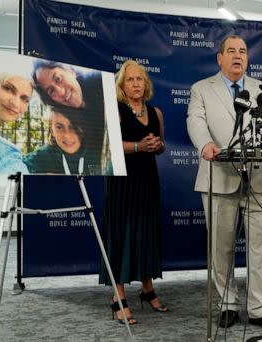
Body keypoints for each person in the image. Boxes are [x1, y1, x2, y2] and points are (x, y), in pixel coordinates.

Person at [186, 35, 262, 332]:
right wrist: (205, 144)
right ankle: (228, 304)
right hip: (219, 177)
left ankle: (259, 308)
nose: (237, 56)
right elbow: (195, 120)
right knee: (221, 248)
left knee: (260, 248)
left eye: (242, 51)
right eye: (231, 51)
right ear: (220, 58)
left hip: (258, 178)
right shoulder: (201, 89)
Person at [99, 60, 167, 325]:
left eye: (140, 79)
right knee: (121, 236)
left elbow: (161, 147)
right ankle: (118, 297)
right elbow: (107, 146)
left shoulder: (155, 112)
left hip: (148, 180)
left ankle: (147, 289)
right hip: (121, 183)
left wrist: (156, 145)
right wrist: (139, 146)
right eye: (131, 80)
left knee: (145, 233)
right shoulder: (115, 110)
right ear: (121, 85)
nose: (136, 83)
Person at [31, 60, 106, 163]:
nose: (61, 92)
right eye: (51, 91)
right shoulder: (65, 116)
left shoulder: (100, 80)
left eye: (58, 79)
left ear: (70, 71)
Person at [23, 107, 102, 174]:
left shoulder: (99, 155)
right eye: (59, 127)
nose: (67, 135)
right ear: (52, 129)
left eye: (74, 126)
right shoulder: (40, 158)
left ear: (83, 128)